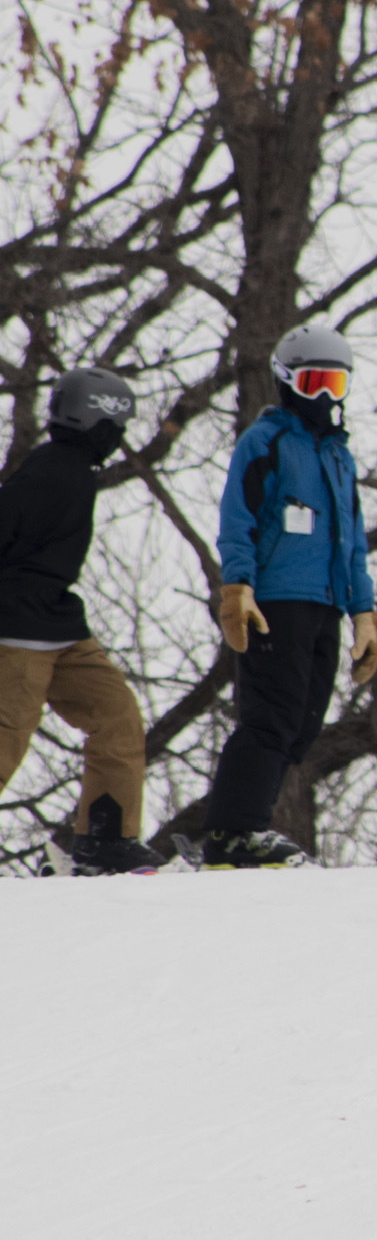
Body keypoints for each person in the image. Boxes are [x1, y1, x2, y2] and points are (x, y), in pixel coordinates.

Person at [200, 326, 377, 867]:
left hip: (325, 603)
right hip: (275, 601)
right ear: (288, 382)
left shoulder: (340, 456)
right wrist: (239, 586)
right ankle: (233, 834)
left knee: (302, 725)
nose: (325, 396)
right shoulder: (268, 441)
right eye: (313, 382)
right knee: (271, 717)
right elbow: (239, 518)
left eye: (335, 383)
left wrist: (364, 613)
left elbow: (352, 543)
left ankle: (249, 827)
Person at [0, 367, 165, 875]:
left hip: (60, 623)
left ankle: (106, 839)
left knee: (114, 711)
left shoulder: (72, 470)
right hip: (17, 625)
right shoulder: (50, 472)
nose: (119, 437)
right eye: (117, 424)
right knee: (7, 733)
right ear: (97, 419)